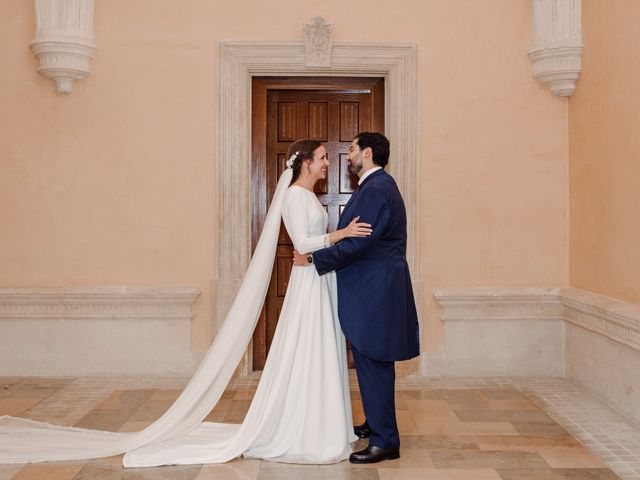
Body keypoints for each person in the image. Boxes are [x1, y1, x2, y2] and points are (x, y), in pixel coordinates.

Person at [0, 140, 372, 467]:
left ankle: (318, 424)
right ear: (304, 161)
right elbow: (302, 245)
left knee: (318, 352)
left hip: (319, 280)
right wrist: (341, 234)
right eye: (323, 157)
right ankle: (301, 430)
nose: (328, 162)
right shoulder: (292, 196)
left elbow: (311, 246)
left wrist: (330, 241)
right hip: (306, 286)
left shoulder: (310, 197)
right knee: (305, 351)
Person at [294, 132, 420, 464]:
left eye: (350, 149)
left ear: (367, 152)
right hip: (375, 287)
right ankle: (376, 424)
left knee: (374, 361)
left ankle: (385, 441)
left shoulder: (376, 188)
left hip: (374, 290)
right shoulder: (375, 186)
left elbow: (358, 243)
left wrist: (312, 260)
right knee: (371, 360)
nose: (346, 155)